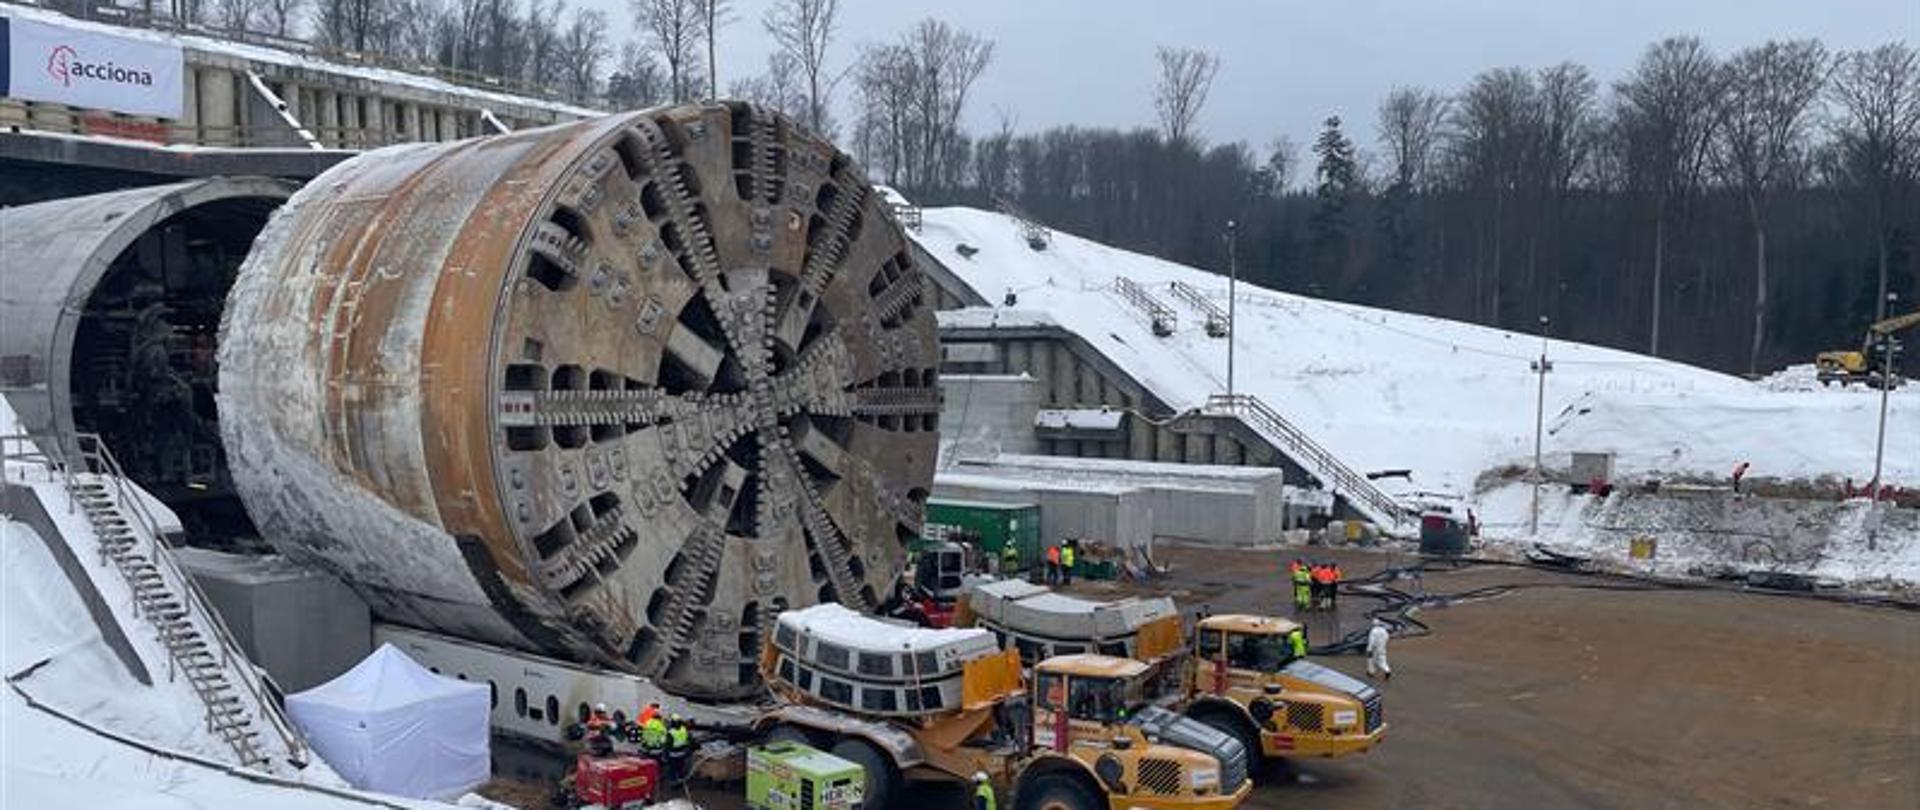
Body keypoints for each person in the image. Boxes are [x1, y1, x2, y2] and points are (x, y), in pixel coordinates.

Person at [665, 714, 693, 782]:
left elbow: (668, 745)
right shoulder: (683, 729)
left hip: (673, 754)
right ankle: (681, 778)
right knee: (680, 767)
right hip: (682, 752)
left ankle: (673, 780)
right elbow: (688, 739)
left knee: (672, 768)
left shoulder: (671, 732)